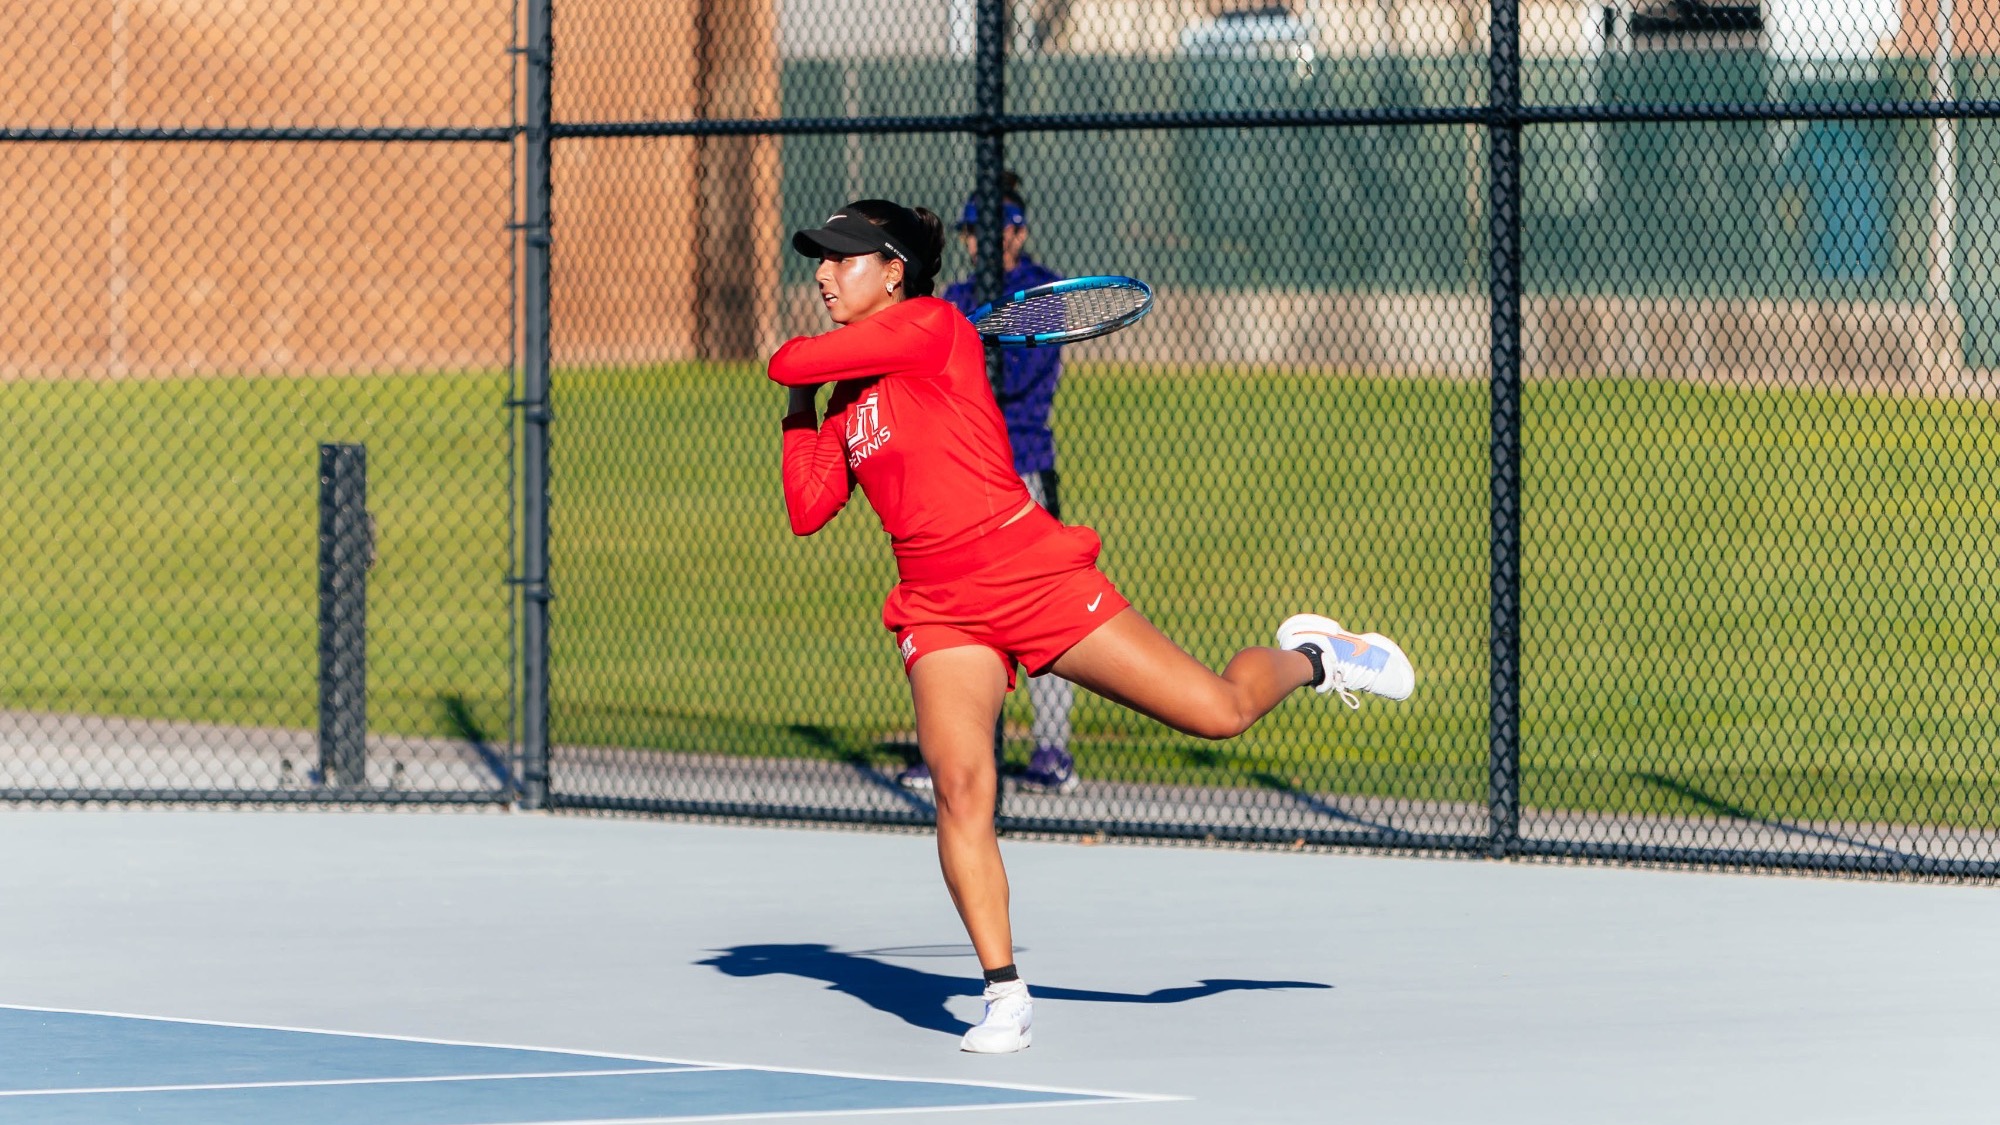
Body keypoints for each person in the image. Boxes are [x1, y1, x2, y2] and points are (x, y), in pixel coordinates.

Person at [769, 198, 1415, 1055]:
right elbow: (809, 507)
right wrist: (803, 411)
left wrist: (800, 373)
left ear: (894, 271)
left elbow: (785, 356)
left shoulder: (931, 325)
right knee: (963, 787)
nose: (822, 271)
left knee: (1218, 712)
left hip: (1028, 572)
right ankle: (1004, 994)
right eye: (820, 257)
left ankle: (1316, 654)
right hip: (937, 607)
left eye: (844, 258)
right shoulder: (849, 395)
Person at [895, 173, 1076, 794]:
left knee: (1043, 609)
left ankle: (1052, 751)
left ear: (1019, 232)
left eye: (996, 228)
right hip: (958, 472)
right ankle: (949, 748)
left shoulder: (1040, 291)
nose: (984, 241)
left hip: (1021, 465)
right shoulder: (959, 296)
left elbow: (1020, 375)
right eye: (972, 231)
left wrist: (966, 346)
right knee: (951, 608)